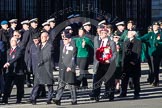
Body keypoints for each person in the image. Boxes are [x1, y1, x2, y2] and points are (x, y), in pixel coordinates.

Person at [90, 28, 117, 102]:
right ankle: (96, 94)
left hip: (108, 63)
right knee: (97, 79)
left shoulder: (111, 42)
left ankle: (110, 95)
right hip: (99, 63)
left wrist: (110, 60)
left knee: (109, 80)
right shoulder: (98, 41)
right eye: (101, 33)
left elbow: (114, 53)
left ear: (107, 34)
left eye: (104, 33)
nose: (102, 35)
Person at [28, 32, 54, 105]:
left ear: (47, 38)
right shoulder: (39, 46)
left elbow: (48, 56)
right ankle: (33, 98)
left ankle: (49, 98)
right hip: (39, 68)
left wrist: (41, 61)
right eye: (41, 37)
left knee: (49, 84)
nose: (42, 38)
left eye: (43, 37)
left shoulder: (49, 46)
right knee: (36, 83)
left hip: (46, 67)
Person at [53, 33, 77, 105]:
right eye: (63, 39)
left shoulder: (73, 47)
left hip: (69, 68)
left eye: (66, 39)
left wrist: (70, 66)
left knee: (71, 85)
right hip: (62, 68)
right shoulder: (62, 46)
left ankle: (74, 99)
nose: (64, 40)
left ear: (69, 40)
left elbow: (73, 58)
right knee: (61, 84)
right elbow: (61, 57)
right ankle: (58, 98)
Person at [1, 37, 24, 104]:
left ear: (17, 42)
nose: (12, 42)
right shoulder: (8, 50)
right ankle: (5, 99)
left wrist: (9, 63)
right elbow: (6, 59)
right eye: (11, 41)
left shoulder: (20, 50)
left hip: (18, 71)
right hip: (10, 71)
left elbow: (16, 57)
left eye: (14, 41)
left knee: (19, 87)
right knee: (7, 86)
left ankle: (18, 99)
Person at [120, 30, 141, 99]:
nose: (127, 34)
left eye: (129, 33)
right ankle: (123, 92)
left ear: (133, 34)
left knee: (135, 79)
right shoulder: (126, 41)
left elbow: (138, 52)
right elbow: (124, 53)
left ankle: (136, 93)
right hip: (126, 62)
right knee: (124, 78)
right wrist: (122, 62)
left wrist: (134, 61)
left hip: (134, 63)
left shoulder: (138, 41)